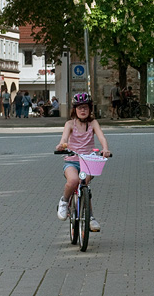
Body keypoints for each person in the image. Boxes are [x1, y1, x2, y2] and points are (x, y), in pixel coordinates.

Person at [55, 92, 111, 232]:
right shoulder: (70, 124)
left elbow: (101, 137)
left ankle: (90, 217)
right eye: (79, 108)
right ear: (74, 110)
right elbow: (64, 139)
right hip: (72, 161)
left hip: (88, 161)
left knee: (84, 184)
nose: (83, 110)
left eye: (85, 107)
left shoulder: (93, 123)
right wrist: (61, 145)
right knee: (73, 180)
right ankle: (64, 201)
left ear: (90, 109)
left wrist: (105, 149)